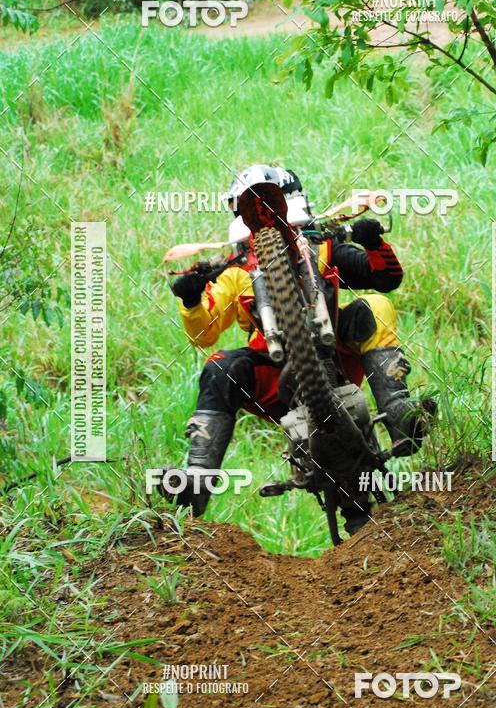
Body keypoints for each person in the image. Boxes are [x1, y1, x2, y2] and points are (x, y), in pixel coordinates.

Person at [162, 165, 435, 531]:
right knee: (219, 366)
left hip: (340, 356)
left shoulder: (322, 248)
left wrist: (373, 241)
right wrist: (192, 300)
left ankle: (402, 415)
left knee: (375, 307)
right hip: (275, 377)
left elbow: (385, 278)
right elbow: (203, 334)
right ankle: (197, 478)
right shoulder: (236, 270)